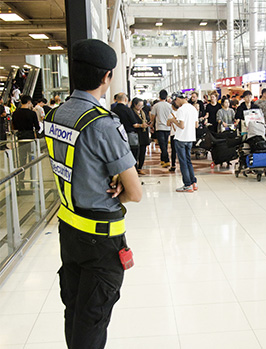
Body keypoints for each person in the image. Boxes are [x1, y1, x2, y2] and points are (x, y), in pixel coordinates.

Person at [43, 39, 142, 349]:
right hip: (101, 238)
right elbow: (135, 192)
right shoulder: (103, 124)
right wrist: (118, 191)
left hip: (69, 230)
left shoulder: (56, 116)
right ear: (106, 77)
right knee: (93, 319)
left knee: (74, 310)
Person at [168, 93, 198, 192]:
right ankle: (193, 182)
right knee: (188, 161)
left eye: (175, 101)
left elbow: (181, 126)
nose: (175, 103)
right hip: (190, 138)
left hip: (181, 138)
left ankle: (187, 184)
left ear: (177, 99)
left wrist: (173, 120)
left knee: (183, 162)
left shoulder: (181, 110)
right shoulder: (193, 108)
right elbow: (196, 125)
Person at [12, 95, 40, 188]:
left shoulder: (15, 113)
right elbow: (37, 127)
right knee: (32, 160)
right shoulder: (32, 113)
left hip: (21, 138)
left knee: (22, 161)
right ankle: (33, 182)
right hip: (30, 138)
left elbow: (14, 126)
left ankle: (21, 182)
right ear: (28, 102)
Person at [112, 92, 140, 164]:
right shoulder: (128, 110)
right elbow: (134, 124)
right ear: (125, 99)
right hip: (129, 134)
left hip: (117, 134)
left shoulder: (113, 110)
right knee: (132, 153)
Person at [150, 89, 172, 168]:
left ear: (159, 97)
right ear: (166, 97)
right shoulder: (169, 106)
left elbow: (152, 117)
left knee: (162, 145)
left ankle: (166, 160)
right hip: (168, 128)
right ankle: (163, 159)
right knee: (164, 144)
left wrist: (151, 125)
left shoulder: (156, 105)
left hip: (159, 128)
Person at [131, 97, 150, 175]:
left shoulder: (143, 112)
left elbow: (147, 119)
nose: (140, 107)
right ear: (134, 105)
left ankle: (140, 167)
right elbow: (132, 123)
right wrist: (140, 125)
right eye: (139, 105)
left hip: (144, 134)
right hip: (136, 134)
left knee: (143, 151)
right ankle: (134, 168)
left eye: (142, 106)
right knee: (135, 152)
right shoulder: (131, 112)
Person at [167, 100, 179, 172]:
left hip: (173, 134)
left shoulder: (171, 114)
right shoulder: (181, 113)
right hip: (181, 134)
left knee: (173, 151)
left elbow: (168, 124)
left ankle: (173, 165)